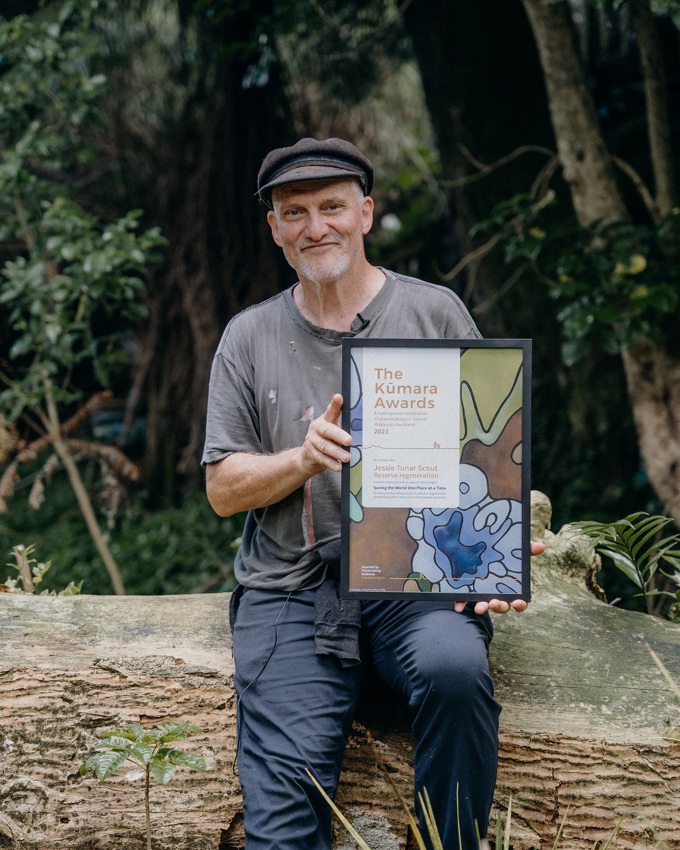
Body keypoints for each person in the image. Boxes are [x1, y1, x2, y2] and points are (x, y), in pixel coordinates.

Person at [202, 137, 543, 850]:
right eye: (294, 212)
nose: (314, 226)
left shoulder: (434, 312)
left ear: (366, 212)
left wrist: (498, 557)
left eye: (332, 206)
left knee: (456, 671)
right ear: (274, 227)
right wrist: (300, 459)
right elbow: (223, 489)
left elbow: (484, 457)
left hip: (412, 584)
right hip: (291, 590)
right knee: (285, 816)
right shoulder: (248, 337)